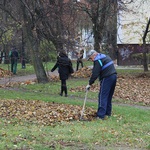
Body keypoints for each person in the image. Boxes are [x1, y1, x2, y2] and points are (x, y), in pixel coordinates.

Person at [86, 50, 117, 120]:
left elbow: (95, 74)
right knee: (109, 96)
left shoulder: (97, 60)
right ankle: (107, 113)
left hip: (106, 78)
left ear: (94, 55)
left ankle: (100, 115)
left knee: (102, 96)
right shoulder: (105, 56)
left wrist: (90, 83)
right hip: (114, 76)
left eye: (91, 58)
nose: (91, 60)